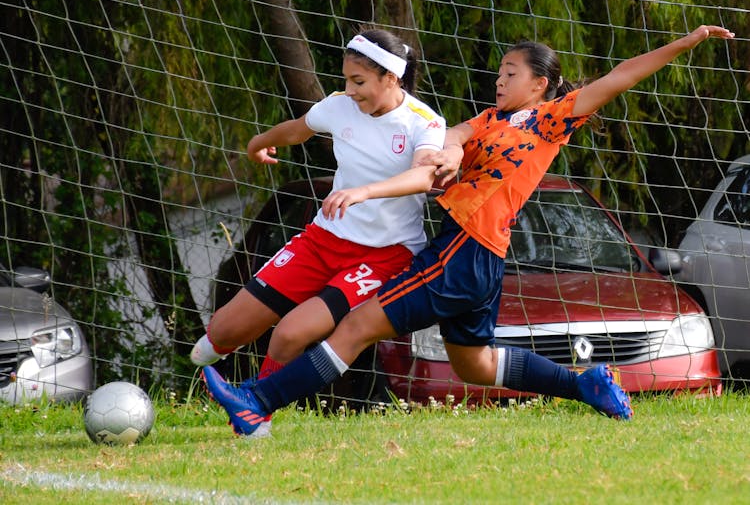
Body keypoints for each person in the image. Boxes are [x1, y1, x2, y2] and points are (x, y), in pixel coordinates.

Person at [202, 25, 735, 436]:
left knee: (357, 326)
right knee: (476, 365)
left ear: (540, 84)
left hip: (462, 252)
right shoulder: (484, 121)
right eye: (499, 72)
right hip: (480, 258)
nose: (499, 80)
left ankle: (257, 402)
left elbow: (621, 76)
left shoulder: (552, 119)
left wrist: (685, 43)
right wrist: (445, 156)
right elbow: (450, 138)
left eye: (510, 72)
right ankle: (585, 383)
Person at [191, 29, 447, 434]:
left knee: (292, 333)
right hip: (323, 239)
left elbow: (423, 175)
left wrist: (363, 192)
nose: (349, 90)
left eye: (358, 82)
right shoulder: (340, 106)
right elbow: (297, 129)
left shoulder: (424, 122)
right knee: (221, 331)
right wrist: (259, 142)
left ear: (391, 79)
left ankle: (253, 413)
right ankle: (219, 391)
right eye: (346, 79)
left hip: (383, 255)